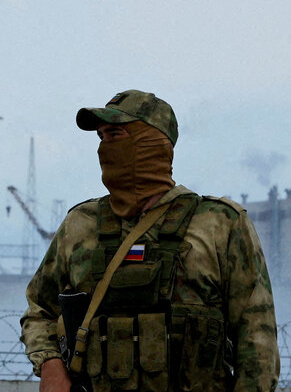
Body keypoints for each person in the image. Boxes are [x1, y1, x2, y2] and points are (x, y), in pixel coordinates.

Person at [19, 90, 280, 391]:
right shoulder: (81, 225)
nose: (105, 147)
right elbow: (39, 309)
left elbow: (257, 341)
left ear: (152, 142)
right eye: (101, 137)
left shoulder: (219, 224)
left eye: (115, 134)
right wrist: (49, 363)